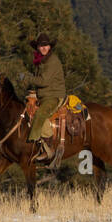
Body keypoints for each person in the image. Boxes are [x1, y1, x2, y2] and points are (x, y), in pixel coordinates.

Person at [20, 33, 66, 165]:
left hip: (54, 96)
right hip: (44, 95)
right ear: (38, 48)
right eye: (41, 46)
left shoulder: (52, 61)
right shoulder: (41, 61)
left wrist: (27, 77)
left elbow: (44, 81)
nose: (44, 48)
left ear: (50, 46)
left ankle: (46, 146)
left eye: (46, 45)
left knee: (40, 114)